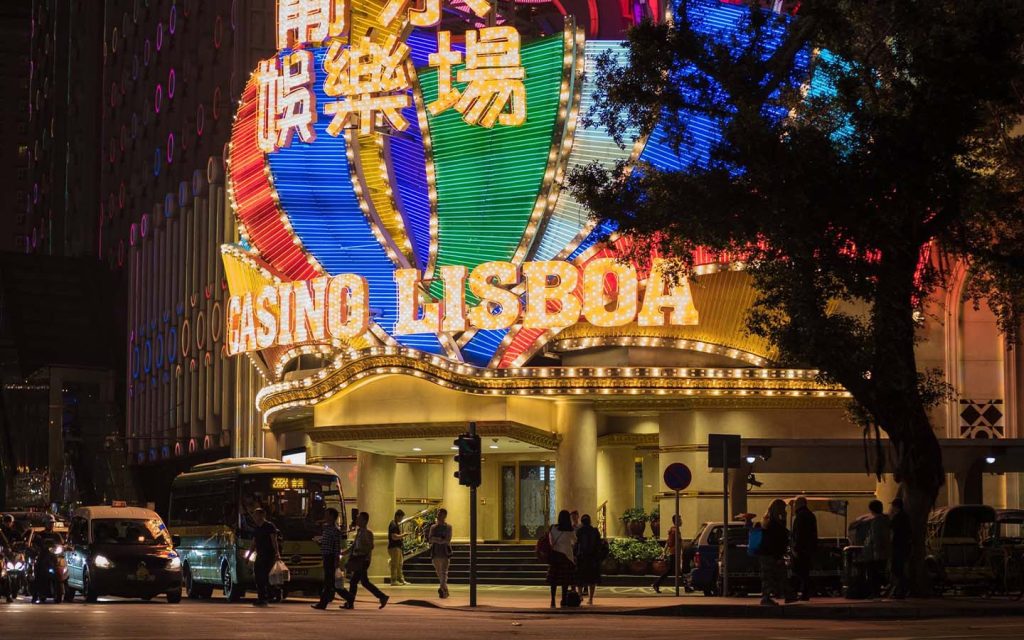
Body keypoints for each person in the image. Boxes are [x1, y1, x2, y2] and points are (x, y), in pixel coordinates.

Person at [338, 511, 389, 610]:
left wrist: (360, 550)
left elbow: (370, 546)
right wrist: (344, 552)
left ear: (364, 520)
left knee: (357, 582)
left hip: (363, 560)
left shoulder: (367, 533)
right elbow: (353, 546)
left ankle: (351, 602)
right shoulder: (359, 532)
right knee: (361, 582)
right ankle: (381, 597)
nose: (356, 520)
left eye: (359, 518)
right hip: (359, 559)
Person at [759, 499, 794, 606]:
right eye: (783, 508)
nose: (784, 510)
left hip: (766, 554)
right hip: (773, 554)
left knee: (772, 576)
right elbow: (779, 539)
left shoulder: (767, 521)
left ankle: (787, 595)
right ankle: (768, 597)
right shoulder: (775, 524)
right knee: (777, 575)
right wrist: (778, 556)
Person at [311, 508, 346, 610]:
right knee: (330, 582)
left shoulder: (336, 530)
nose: (325, 517)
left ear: (332, 516)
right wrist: (319, 542)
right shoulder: (326, 528)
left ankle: (323, 603)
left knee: (328, 581)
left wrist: (336, 560)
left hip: (331, 557)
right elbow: (325, 542)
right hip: (325, 555)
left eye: (327, 515)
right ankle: (349, 597)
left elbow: (337, 546)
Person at [246, 508, 281, 607]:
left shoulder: (269, 526)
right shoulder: (256, 528)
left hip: (269, 555)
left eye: (256, 515)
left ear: (262, 515)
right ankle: (262, 597)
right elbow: (253, 543)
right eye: (254, 515)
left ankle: (271, 594)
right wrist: (248, 556)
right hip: (260, 555)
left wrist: (277, 553)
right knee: (258, 577)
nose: (254, 517)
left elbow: (274, 541)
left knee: (266, 577)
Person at [546, 509, 577, 608]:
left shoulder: (553, 528)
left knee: (554, 581)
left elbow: (550, 539)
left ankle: (553, 600)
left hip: (555, 556)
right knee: (565, 581)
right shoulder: (570, 530)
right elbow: (575, 541)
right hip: (567, 557)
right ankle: (563, 600)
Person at [790, 497, 818, 601]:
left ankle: (804, 591)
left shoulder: (800, 516)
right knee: (805, 570)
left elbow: (799, 534)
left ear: (799, 504)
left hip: (801, 548)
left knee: (799, 570)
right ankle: (805, 591)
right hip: (809, 548)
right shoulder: (810, 515)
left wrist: (796, 548)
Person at [861, 500, 891, 599]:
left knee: (872, 574)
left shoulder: (876, 522)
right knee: (878, 573)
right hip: (883, 552)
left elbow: (875, 538)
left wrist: (874, 551)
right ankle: (877, 591)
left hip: (874, 553)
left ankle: (875, 592)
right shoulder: (886, 520)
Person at [574, 514, 603, 605]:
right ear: (590, 521)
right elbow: (599, 544)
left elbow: (576, 544)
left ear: (582, 522)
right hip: (592, 558)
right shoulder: (595, 531)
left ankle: (580, 595)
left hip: (581, 558)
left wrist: (575, 555)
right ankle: (590, 599)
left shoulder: (579, 531)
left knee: (580, 579)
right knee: (592, 580)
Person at [652, 514, 682, 593]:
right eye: (679, 519)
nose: (681, 521)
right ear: (676, 521)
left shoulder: (675, 530)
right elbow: (669, 542)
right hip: (674, 553)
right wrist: (664, 552)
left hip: (675, 552)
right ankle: (656, 584)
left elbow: (669, 542)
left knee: (675, 570)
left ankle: (656, 584)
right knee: (673, 570)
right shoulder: (674, 531)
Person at [888, 497, 911, 599]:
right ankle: (902, 589)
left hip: (898, 546)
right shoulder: (906, 517)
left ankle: (900, 590)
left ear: (895, 506)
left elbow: (891, 529)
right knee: (901, 568)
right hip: (905, 546)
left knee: (897, 569)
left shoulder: (897, 517)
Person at [427, 508, 453, 599]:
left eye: (440, 514)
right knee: (439, 572)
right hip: (435, 552)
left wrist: (437, 539)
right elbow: (430, 539)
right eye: (438, 514)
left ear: (444, 516)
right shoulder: (433, 527)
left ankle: (441, 588)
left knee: (443, 572)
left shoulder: (448, 527)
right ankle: (445, 590)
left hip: (445, 552)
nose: (438, 515)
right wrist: (439, 540)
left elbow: (447, 539)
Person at [387, 510, 407, 586]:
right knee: (395, 564)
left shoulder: (395, 524)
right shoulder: (393, 525)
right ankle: (393, 580)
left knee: (399, 564)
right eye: (401, 517)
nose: (401, 519)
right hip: (394, 547)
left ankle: (400, 579)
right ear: (397, 516)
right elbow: (394, 537)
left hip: (397, 547)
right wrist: (403, 535)